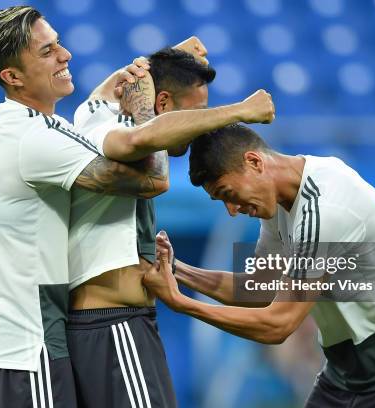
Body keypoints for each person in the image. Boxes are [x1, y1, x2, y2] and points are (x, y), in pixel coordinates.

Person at [0, 6, 274, 407]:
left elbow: (101, 96)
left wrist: (157, 65)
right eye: (47, 51)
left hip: (46, 333)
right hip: (36, 338)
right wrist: (239, 110)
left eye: (59, 43)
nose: (65, 55)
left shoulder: (57, 124)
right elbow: (153, 180)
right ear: (12, 76)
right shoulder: (36, 135)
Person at [143, 124, 375, 407]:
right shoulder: (279, 203)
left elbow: (278, 324)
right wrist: (176, 270)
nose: (232, 210)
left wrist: (181, 303)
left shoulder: (327, 206)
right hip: (344, 374)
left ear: (254, 162)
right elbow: (257, 289)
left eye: (228, 194)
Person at [65, 43, 275, 407]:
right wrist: (241, 111)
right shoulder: (110, 127)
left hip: (119, 325)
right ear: (161, 103)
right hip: (112, 326)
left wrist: (161, 58)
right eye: (196, 114)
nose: (201, 127)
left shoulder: (99, 112)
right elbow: (154, 164)